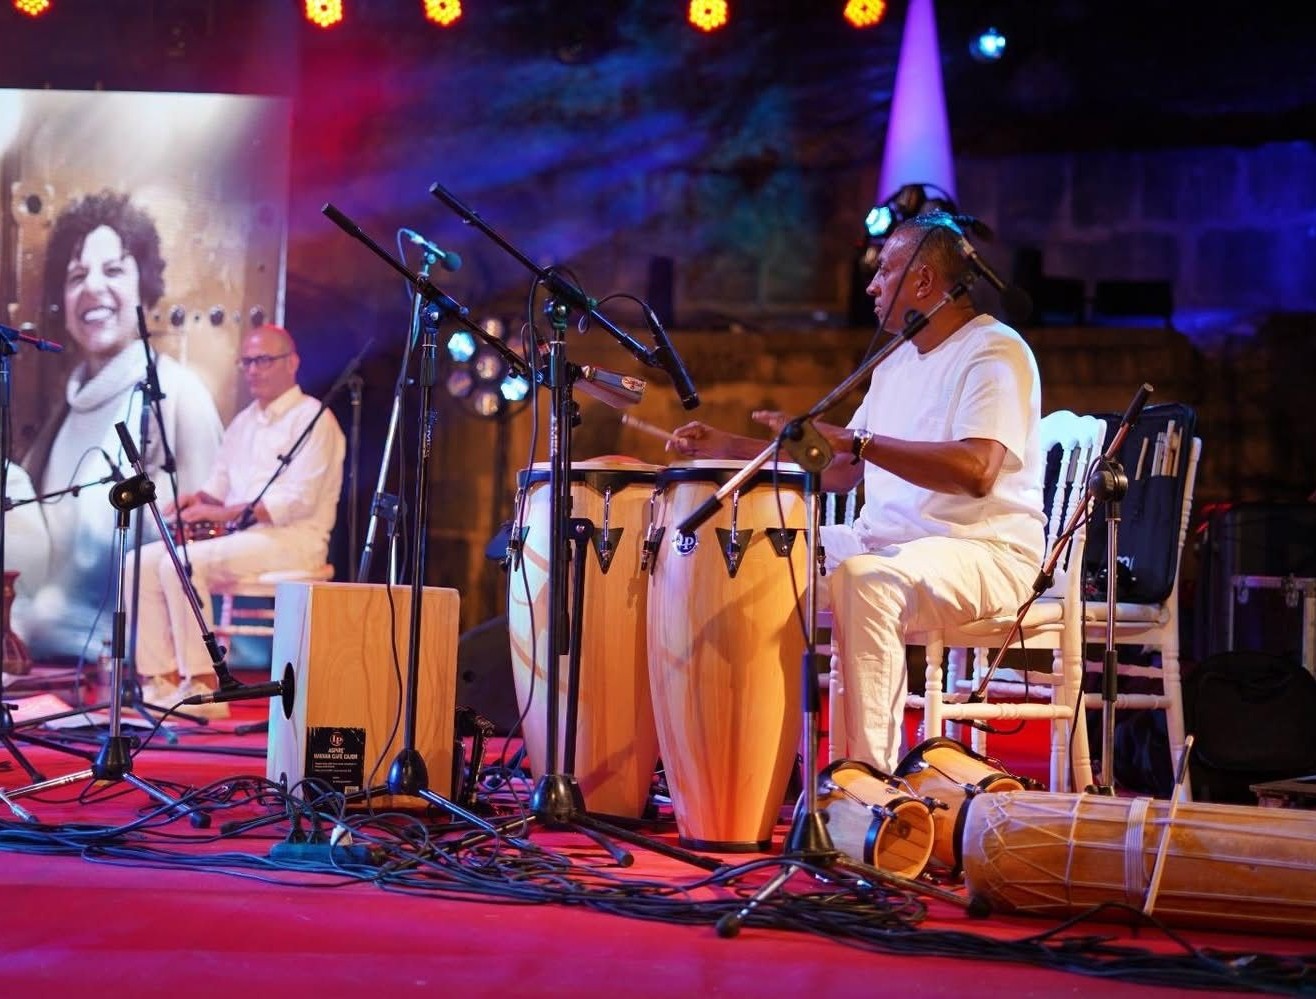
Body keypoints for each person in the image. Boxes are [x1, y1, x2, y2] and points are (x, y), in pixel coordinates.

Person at [668, 211, 1045, 774]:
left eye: (884, 269)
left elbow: (977, 469)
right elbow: (841, 467)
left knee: (865, 580)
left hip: (981, 551)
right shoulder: (896, 360)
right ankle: (733, 767)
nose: (870, 284)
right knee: (752, 554)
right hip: (886, 544)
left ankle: (865, 785)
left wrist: (861, 441)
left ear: (923, 281)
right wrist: (726, 445)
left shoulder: (994, 351)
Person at [16, 189, 224, 662]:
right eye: (76, 276)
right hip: (53, 668)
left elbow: (205, 548)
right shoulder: (63, 416)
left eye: (113, 270)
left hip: (142, 668)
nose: (92, 288)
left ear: (144, 285)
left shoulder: (177, 395)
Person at [131, 324, 345, 715]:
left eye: (263, 360)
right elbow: (219, 485)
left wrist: (219, 512)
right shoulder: (245, 421)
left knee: (180, 562)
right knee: (138, 563)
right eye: (247, 361)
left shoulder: (314, 419)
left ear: (292, 363)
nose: (253, 369)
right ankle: (158, 680)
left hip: (292, 540)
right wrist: (193, 500)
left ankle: (203, 684)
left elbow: (294, 503)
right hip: (242, 540)